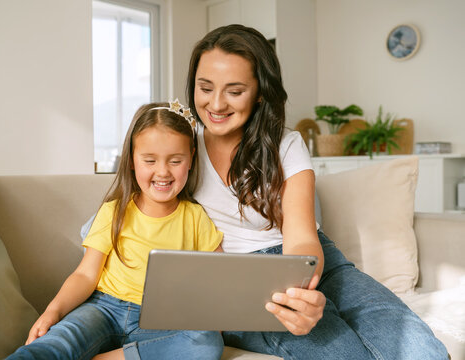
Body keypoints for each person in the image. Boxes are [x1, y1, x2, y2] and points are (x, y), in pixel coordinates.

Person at [186, 24, 448, 359]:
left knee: (423, 351)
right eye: (205, 87)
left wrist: (301, 287)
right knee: (342, 354)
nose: (216, 104)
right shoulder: (181, 148)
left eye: (234, 92)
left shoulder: (286, 144)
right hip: (244, 283)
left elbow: (302, 236)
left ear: (261, 92)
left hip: (311, 263)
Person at [7, 101, 224, 360]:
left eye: (176, 160)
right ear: (132, 160)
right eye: (150, 160)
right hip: (103, 309)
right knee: (55, 344)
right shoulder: (114, 211)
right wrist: (53, 311)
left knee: (208, 342)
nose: (163, 171)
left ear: (191, 159)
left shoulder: (196, 218)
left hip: (160, 321)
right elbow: (86, 275)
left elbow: (218, 282)